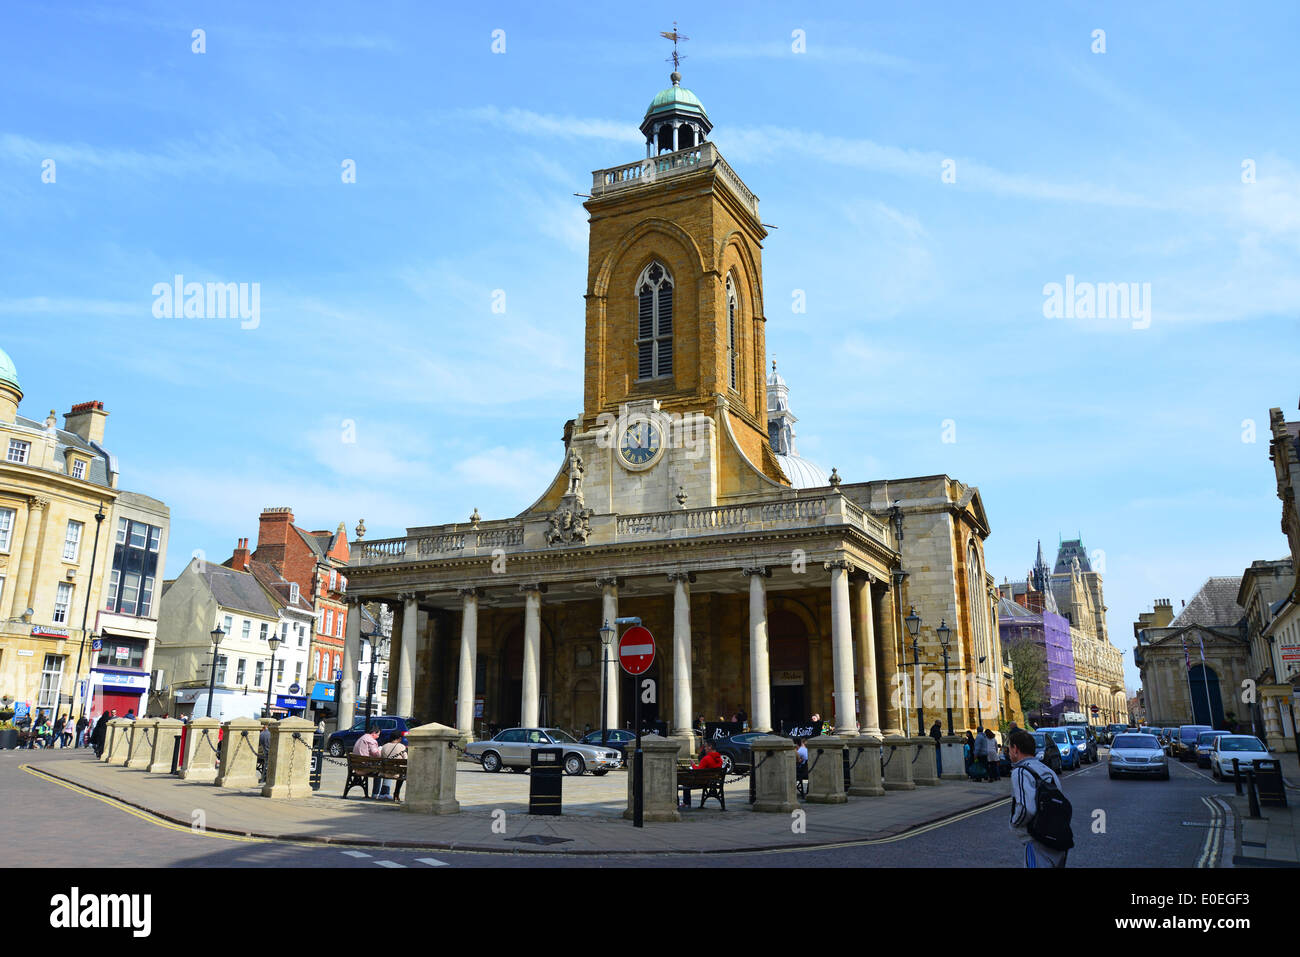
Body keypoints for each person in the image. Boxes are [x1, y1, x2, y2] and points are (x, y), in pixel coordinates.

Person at [1008, 729, 1071, 868]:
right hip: (1059, 839)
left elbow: (1026, 808)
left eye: (1009, 748)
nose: (1008, 753)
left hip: (1037, 841)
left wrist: (1013, 823)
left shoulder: (1020, 771)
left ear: (1016, 749)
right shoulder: (1048, 771)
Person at [376, 731, 408, 799]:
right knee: (402, 771)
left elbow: (381, 758)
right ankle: (396, 794)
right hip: (396, 773)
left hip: (384, 772)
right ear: (399, 738)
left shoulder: (384, 746)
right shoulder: (402, 746)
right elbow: (406, 760)